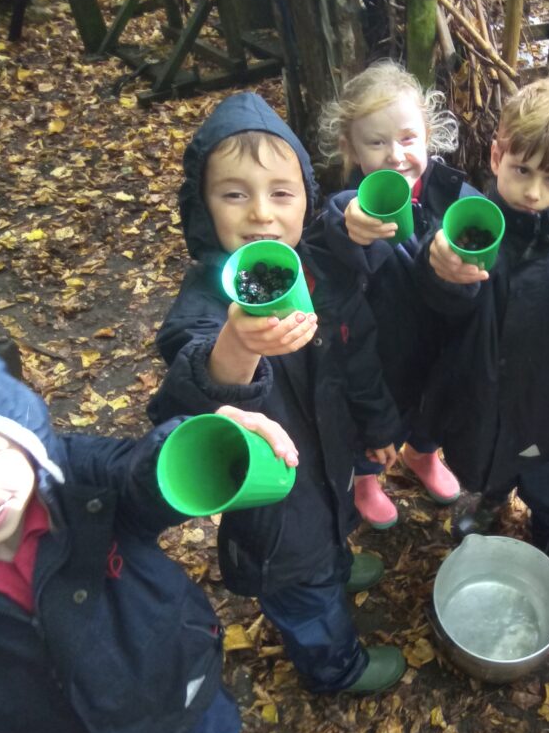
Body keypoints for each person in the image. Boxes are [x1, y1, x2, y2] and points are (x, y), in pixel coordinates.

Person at [149, 92, 406, 696]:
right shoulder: (206, 309)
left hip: (331, 463)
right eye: (234, 193)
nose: (262, 213)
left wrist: (379, 428)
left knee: (332, 537)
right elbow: (188, 391)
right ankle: (334, 668)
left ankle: (337, 566)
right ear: (203, 205)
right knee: (303, 595)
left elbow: (353, 329)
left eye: (282, 193)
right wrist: (239, 346)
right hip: (274, 506)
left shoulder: (309, 265)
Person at [0, 356, 296, 733]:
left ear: (24, 436)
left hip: (178, 694)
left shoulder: (79, 482)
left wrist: (205, 440)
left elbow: (140, 473)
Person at [416, 73, 549, 571]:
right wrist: (440, 266)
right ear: (495, 156)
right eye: (522, 170)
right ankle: (490, 498)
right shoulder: (466, 231)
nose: (532, 191)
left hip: (542, 416)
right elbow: (439, 299)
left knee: (546, 479)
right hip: (479, 399)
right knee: (487, 463)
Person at [313, 60, 481, 529]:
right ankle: (367, 479)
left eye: (407, 138)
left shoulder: (453, 195)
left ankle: (423, 456)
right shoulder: (348, 212)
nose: (395, 154)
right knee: (371, 432)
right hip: (381, 354)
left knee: (433, 413)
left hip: (439, 348)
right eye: (376, 142)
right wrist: (347, 223)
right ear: (350, 149)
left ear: (428, 135)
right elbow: (327, 240)